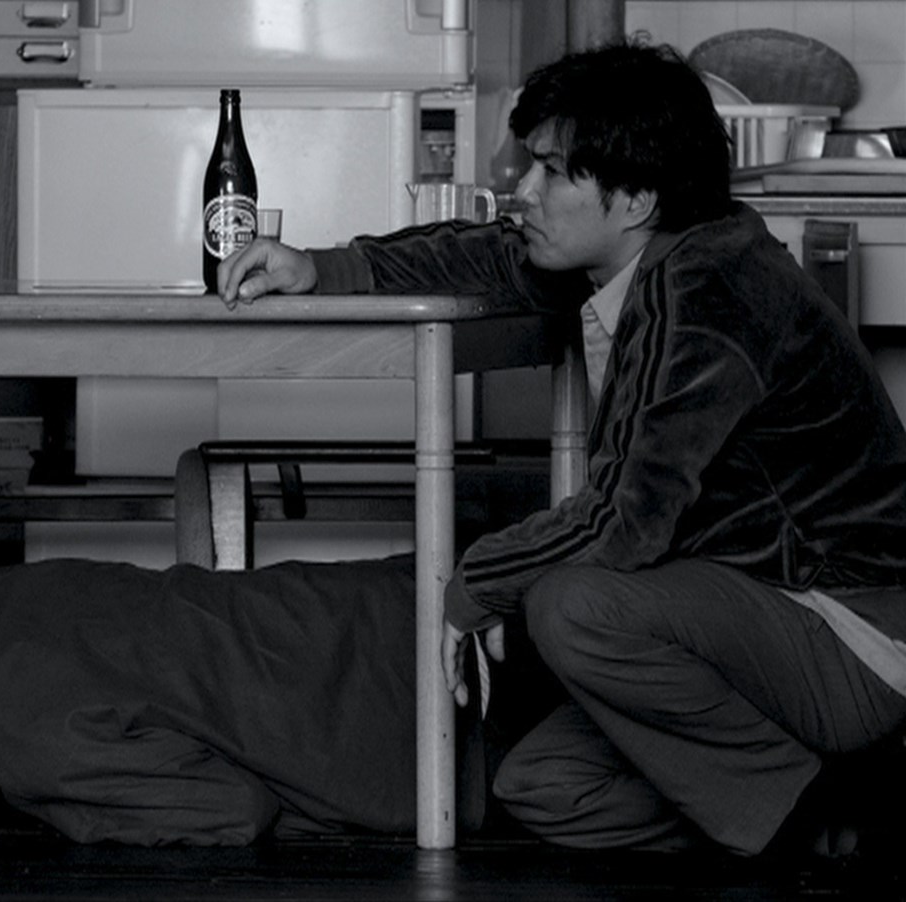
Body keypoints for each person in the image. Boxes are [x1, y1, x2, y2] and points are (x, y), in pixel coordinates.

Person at [218, 40, 906, 857]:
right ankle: (818, 806)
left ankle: (825, 815)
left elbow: (625, 524)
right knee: (546, 788)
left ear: (637, 197)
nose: (524, 192)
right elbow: (485, 254)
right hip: (745, 621)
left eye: (551, 172)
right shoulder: (642, 254)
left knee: (570, 605)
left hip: (849, 633)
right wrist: (322, 268)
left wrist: (475, 584)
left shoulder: (709, 287)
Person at [0, 554, 487, 846]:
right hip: (415, 598)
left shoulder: (28, 744)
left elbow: (235, 812)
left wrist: (62, 814)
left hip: (441, 719)